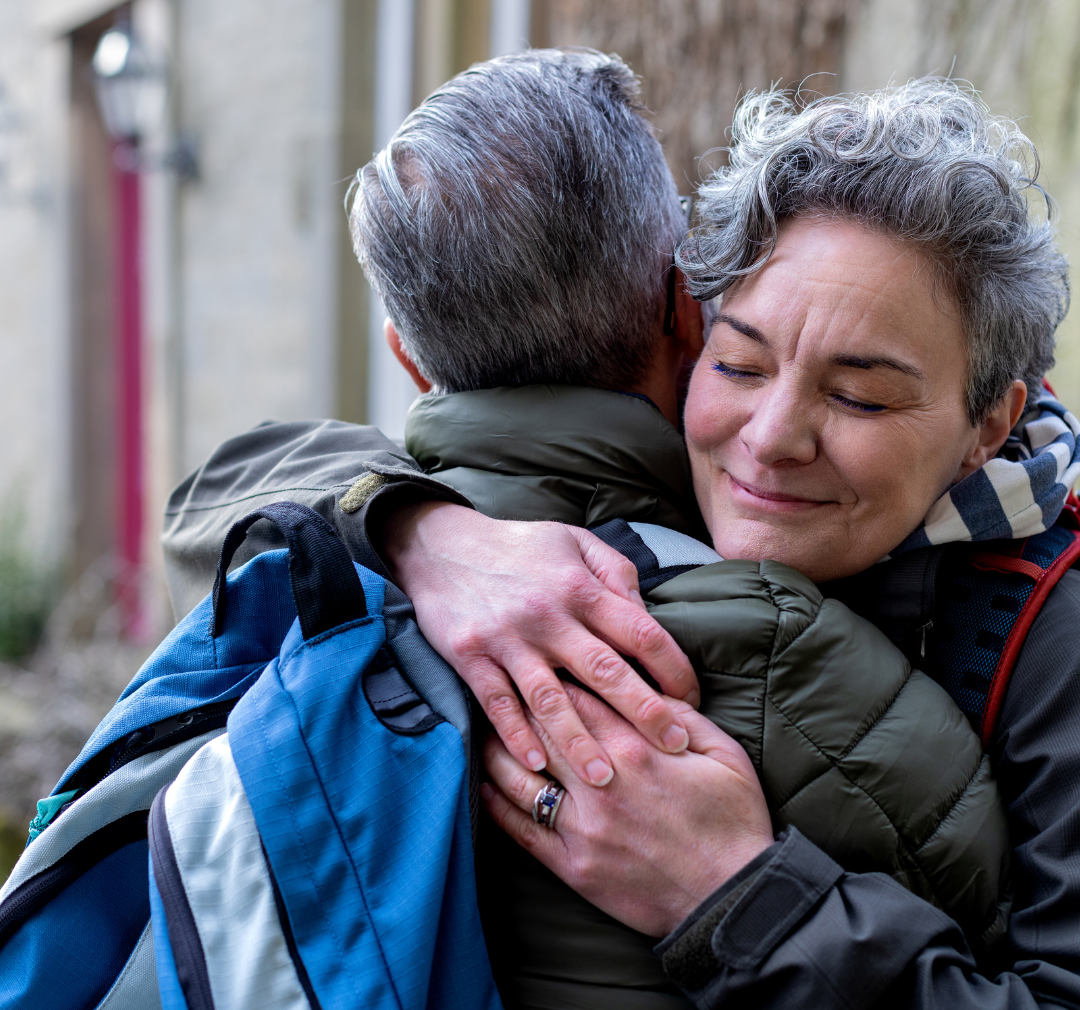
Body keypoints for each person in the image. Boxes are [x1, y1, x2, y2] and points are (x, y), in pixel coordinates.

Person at [163, 61, 1059, 1005]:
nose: (770, 439)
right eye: (743, 364)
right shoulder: (439, 539)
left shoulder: (1050, 628)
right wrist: (423, 533)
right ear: (688, 317)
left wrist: (734, 889)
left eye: (860, 395)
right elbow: (226, 482)